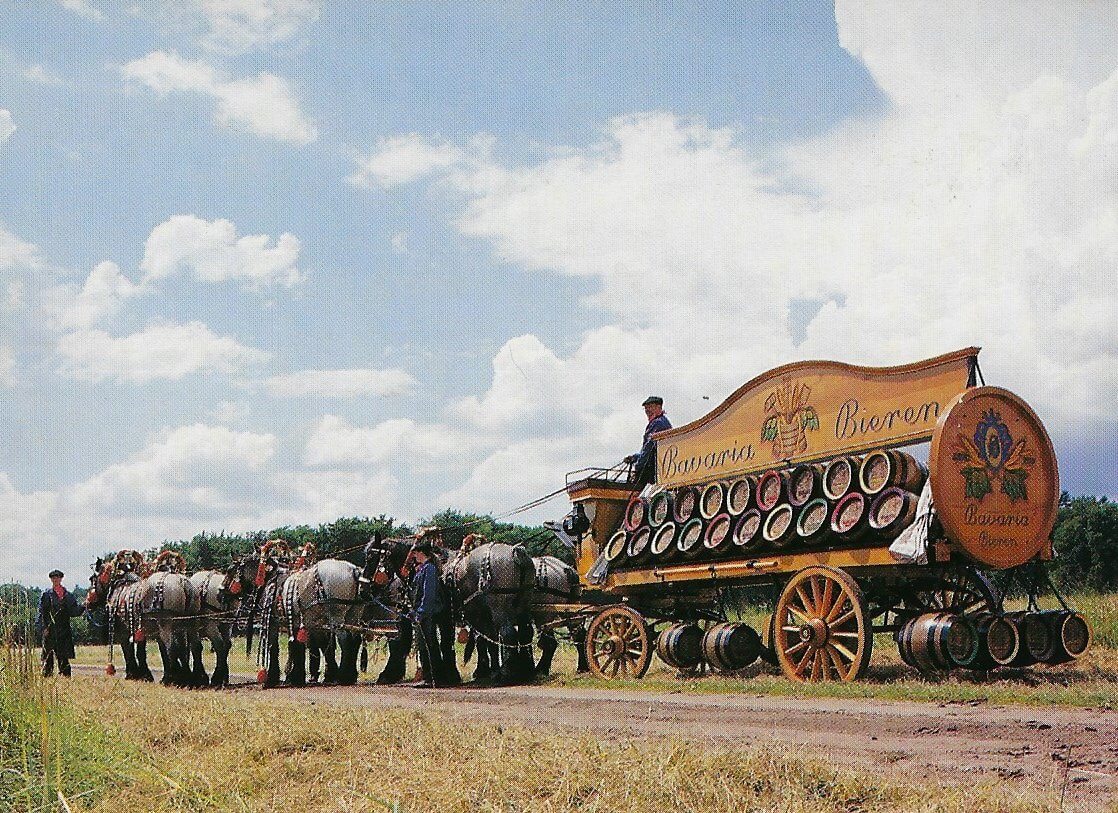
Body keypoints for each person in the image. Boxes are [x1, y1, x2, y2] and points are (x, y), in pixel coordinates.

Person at [409, 541, 448, 688]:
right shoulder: (424, 569)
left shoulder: (429, 569)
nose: (414, 555)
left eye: (416, 553)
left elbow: (428, 594)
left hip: (427, 614)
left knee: (427, 645)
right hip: (422, 613)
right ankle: (431, 677)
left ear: (421, 553)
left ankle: (432, 677)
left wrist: (421, 612)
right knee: (424, 644)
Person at [37, 569, 81, 677]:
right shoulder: (46, 595)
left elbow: (74, 611)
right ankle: (47, 678)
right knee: (48, 657)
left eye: (57, 577)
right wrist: (44, 628)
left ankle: (66, 678)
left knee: (63, 657)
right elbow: (41, 612)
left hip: (64, 631)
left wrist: (84, 606)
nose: (55, 579)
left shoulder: (68, 595)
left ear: (61, 579)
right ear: (51, 579)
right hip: (50, 631)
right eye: (53, 578)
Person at [624, 396, 672, 485]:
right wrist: (635, 457)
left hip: (654, 469)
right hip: (659, 465)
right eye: (646, 408)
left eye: (650, 407)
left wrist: (638, 466)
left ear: (659, 407)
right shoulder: (663, 421)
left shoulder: (658, 423)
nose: (647, 411)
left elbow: (648, 448)